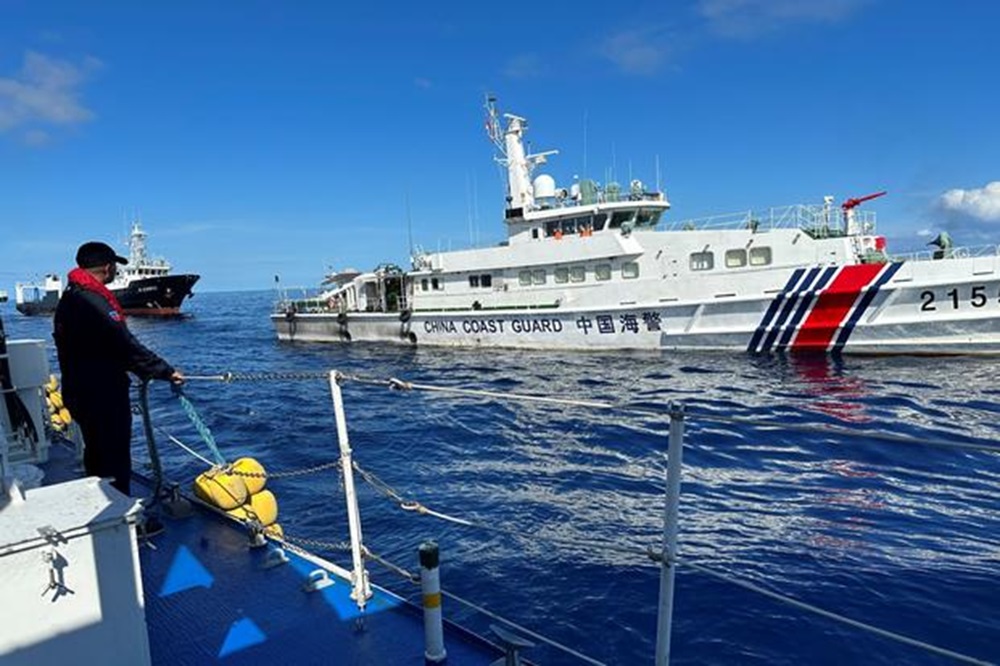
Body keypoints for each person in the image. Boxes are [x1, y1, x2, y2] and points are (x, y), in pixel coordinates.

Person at [53, 241, 184, 498]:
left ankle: (102, 506)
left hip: (78, 390)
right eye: (114, 267)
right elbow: (124, 345)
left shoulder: (70, 297)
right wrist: (166, 371)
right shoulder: (95, 302)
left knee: (96, 453)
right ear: (107, 267)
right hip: (102, 394)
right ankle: (121, 517)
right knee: (114, 457)